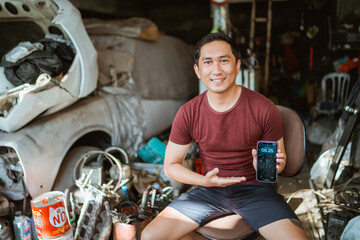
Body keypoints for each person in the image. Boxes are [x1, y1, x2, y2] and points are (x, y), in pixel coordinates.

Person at [141, 32, 309, 240]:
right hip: (208, 192)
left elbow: (278, 165)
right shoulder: (188, 112)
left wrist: (268, 167)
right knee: (151, 236)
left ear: (238, 66)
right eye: (208, 62)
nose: (217, 70)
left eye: (224, 60)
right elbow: (171, 165)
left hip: (257, 192)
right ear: (198, 70)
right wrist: (204, 181)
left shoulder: (264, 108)